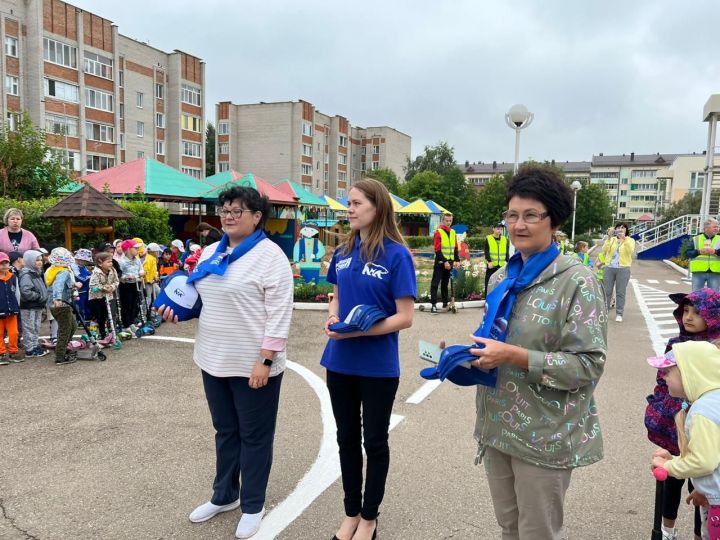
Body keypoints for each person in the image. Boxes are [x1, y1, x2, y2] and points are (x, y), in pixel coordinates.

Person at [467, 166, 607, 540]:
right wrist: (468, 354)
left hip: (545, 435)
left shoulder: (578, 281)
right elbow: (495, 339)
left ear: (554, 220)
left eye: (531, 215)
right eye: (512, 215)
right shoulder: (502, 278)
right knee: (509, 527)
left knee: (536, 532)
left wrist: (515, 356)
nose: (518, 225)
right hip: (497, 427)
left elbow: (589, 364)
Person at [157, 185, 294, 539]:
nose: (229, 217)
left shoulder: (270, 256)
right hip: (212, 359)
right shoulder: (209, 254)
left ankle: (252, 505)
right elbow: (202, 300)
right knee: (226, 432)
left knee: (255, 437)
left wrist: (266, 359)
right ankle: (225, 495)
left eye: (237, 211)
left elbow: (280, 315)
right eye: (225, 210)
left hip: (254, 364)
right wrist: (179, 312)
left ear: (256, 216)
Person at [321, 178, 416, 540]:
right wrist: (332, 316)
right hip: (339, 361)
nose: (350, 209)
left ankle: (370, 518)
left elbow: (404, 316)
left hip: (377, 366)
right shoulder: (343, 252)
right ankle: (351, 513)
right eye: (349, 203)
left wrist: (361, 330)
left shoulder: (397, 254)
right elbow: (336, 297)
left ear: (378, 207)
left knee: (374, 441)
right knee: (346, 438)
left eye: (357, 203)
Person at [644, 288, 720, 540]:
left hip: (702, 427)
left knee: (700, 481)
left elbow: (704, 463)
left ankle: (701, 532)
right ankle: (668, 529)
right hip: (676, 424)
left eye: (697, 312)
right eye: (685, 311)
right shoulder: (677, 344)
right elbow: (662, 382)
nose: (689, 317)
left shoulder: (715, 348)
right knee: (673, 482)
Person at [45, 247, 81, 365]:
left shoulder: (52, 270)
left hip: (57, 303)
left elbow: (62, 283)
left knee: (72, 326)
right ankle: (60, 356)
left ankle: (63, 347)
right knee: (65, 329)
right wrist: (58, 298)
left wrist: (74, 284)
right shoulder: (63, 271)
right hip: (62, 304)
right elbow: (58, 285)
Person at [601, 222, 635, 323]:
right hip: (609, 268)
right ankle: (604, 312)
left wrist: (624, 239)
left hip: (623, 268)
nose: (621, 229)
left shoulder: (630, 240)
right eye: (619, 227)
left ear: (626, 230)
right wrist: (608, 237)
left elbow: (630, 251)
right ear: (615, 229)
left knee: (620, 292)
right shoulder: (612, 239)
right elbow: (604, 250)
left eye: (623, 228)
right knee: (607, 291)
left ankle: (619, 314)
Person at [18, 250, 49, 358]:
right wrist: (39, 297)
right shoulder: (27, 274)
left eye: (41, 260)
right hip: (29, 306)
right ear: (29, 261)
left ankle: (34, 345)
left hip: (37, 305)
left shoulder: (37, 272)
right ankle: (29, 349)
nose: (39, 262)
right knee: (29, 327)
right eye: (36, 260)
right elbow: (26, 291)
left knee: (36, 326)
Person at [429, 213, 458, 314]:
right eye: (446, 221)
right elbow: (437, 249)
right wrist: (445, 261)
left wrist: (457, 260)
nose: (448, 223)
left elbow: (455, 248)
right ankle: (433, 305)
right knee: (435, 283)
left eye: (450, 221)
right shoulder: (438, 232)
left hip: (449, 262)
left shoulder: (453, 232)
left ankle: (445, 303)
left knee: (445, 283)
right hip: (440, 262)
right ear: (443, 221)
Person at [88, 252, 120, 340]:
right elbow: (92, 285)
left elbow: (116, 281)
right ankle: (93, 334)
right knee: (96, 316)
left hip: (107, 296)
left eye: (111, 261)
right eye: (108, 262)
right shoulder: (96, 273)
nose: (111, 264)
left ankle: (103, 333)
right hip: (96, 298)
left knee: (105, 315)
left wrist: (111, 287)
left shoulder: (113, 270)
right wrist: (103, 288)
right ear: (100, 263)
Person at [686, 217, 720, 291]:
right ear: (706, 228)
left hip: (715, 273)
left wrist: (715, 251)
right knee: (696, 296)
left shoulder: (719, 239)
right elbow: (688, 253)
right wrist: (699, 252)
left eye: (717, 227)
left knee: (714, 298)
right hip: (698, 272)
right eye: (714, 227)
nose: (717, 229)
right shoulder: (696, 239)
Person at [0, 251, 22, 364]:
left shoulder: (13, 277)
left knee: (14, 332)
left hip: (12, 310)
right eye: (1, 263)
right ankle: (1, 353)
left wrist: (17, 306)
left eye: (6, 263)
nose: (4, 265)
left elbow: (17, 292)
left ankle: (13, 352)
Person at [118, 239, 144, 331]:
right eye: (135, 248)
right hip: (126, 285)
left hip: (136, 284)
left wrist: (141, 272)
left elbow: (141, 269)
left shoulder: (137, 260)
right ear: (129, 249)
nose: (138, 250)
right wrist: (126, 277)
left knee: (135, 304)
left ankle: (131, 322)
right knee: (126, 305)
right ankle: (126, 325)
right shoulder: (121, 261)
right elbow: (119, 275)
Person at [483, 222, 508, 296]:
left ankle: (498, 298)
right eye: (497, 228)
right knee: (489, 282)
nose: (499, 230)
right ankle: (487, 298)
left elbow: (506, 252)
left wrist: (508, 262)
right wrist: (489, 262)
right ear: (493, 229)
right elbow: (486, 251)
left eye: (501, 229)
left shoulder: (505, 239)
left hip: (501, 266)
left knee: (500, 283)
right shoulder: (488, 238)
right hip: (492, 265)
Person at [143, 243, 161, 308]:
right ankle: (143, 315)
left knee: (159, 293)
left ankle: (154, 312)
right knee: (148, 299)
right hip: (147, 282)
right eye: (157, 251)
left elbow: (154, 271)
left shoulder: (153, 259)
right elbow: (146, 271)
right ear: (152, 251)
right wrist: (148, 280)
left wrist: (155, 277)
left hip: (153, 281)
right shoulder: (148, 259)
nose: (158, 253)